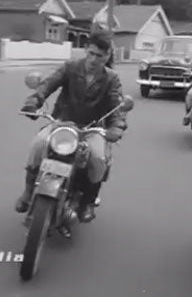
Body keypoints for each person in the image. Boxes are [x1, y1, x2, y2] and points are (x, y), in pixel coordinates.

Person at [16, 32, 127, 229]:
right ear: (85, 50)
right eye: (91, 53)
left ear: (108, 56)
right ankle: (27, 192)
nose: (93, 59)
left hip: (91, 129)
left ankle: (88, 202)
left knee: (98, 159)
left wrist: (116, 127)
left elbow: (116, 106)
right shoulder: (70, 67)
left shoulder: (112, 79)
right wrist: (33, 101)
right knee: (38, 144)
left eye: (99, 56)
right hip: (61, 123)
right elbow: (47, 85)